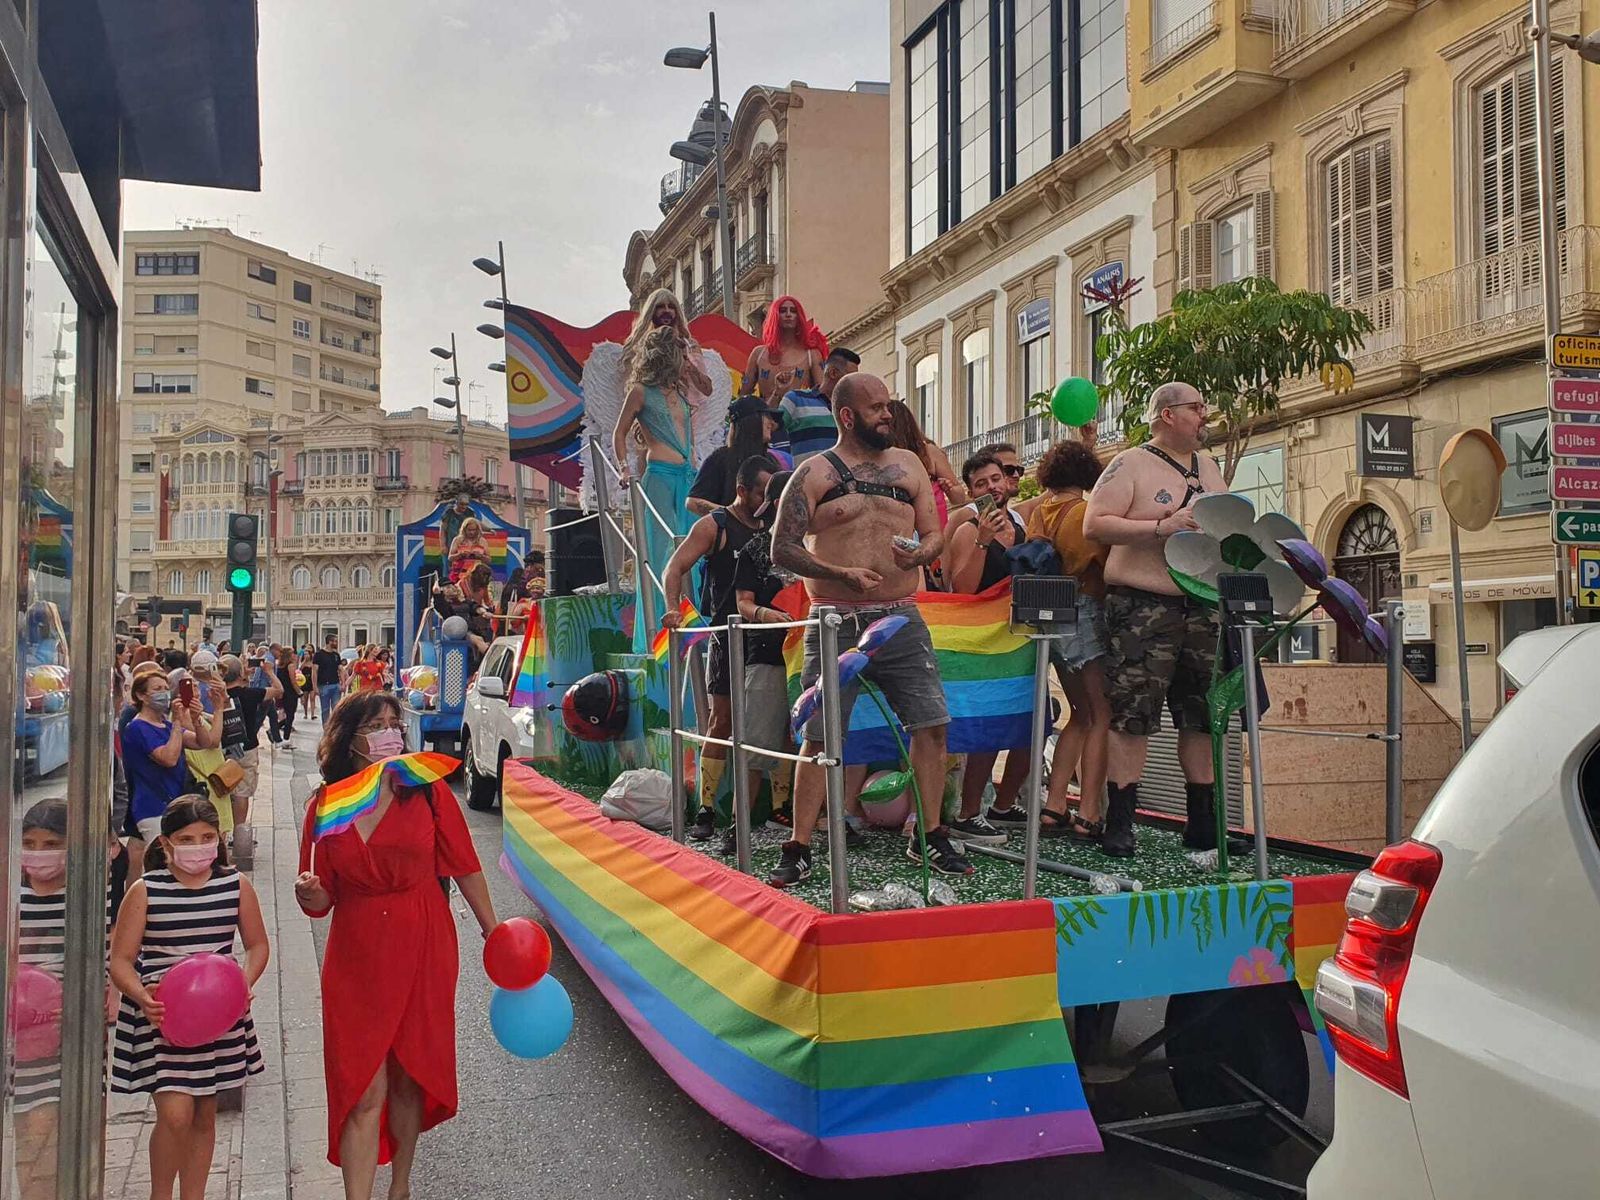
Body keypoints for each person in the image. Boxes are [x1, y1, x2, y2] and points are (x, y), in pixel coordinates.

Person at [294, 692, 499, 1200]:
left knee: (409, 1074)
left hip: (423, 940)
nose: (390, 733)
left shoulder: (427, 792)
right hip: (357, 952)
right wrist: (313, 892)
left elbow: (465, 863)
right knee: (361, 1086)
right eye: (376, 725)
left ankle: (400, 1188)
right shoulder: (327, 806)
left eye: (394, 723)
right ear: (350, 739)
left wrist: (493, 929)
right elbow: (321, 898)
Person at [767, 373, 969, 883]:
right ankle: (799, 845)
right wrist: (839, 574)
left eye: (888, 405)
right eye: (877, 407)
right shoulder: (813, 473)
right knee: (819, 736)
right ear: (847, 416)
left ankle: (930, 835)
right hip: (834, 617)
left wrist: (925, 552)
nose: (888, 413)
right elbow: (783, 547)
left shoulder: (911, 467)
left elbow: (933, 533)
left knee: (932, 725)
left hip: (901, 614)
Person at [1085, 381, 1232, 857]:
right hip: (1144, 607)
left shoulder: (1208, 466)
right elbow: (1095, 524)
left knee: (1202, 715)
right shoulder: (1130, 463)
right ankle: (1121, 822)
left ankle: (1203, 823)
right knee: (1133, 714)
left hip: (1203, 604)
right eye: (1196, 406)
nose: (1204, 414)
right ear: (1168, 415)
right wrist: (1159, 526)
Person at [110, 795, 269, 1200]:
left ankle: (193, 1194)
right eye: (187, 838)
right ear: (165, 843)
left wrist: (242, 984)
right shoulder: (146, 891)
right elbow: (122, 960)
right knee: (175, 1114)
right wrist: (141, 996)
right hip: (162, 1019)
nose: (198, 846)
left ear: (219, 839)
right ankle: (161, 1193)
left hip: (218, 1019)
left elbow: (257, 945)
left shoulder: (235, 885)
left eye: (207, 837)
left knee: (204, 1114)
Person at [662, 454, 778, 842]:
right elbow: (674, 568)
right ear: (742, 490)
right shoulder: (714, 525)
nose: (767, 499)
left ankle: (777, 810)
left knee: (778, 723)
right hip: (726, 634)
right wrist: (672, 609)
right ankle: (707, 809)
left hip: (772, 638)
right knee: (721, 720)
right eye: (761, 492)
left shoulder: (775, 526)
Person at [12, 799, 118, 1200]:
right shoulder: (12, 898)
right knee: (30, 1137)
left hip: (76, 1039)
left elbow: (109, 955)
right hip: (21, 1046)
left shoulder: (92, 897)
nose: (39, 854)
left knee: (70, 1134)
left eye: (51, 843)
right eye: (30, 843)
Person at [1021, 439, 1112, 839]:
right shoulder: (1086, 514)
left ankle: (1055, 804)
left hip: (1049, 617)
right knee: (1102, 713)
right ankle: (1089, 810)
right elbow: (1107, 566)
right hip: (1086, 609)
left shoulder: (1041, 512)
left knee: (1080, 711)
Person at [945, 452, 1030, 845]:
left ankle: (1002, 805)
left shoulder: (1019, 525)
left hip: (1018, 642)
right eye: (981, 484)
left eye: (996, 479)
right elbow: (961, 589)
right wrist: (981, 541)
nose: (993, 487)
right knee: (984, 732)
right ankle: (967, 813)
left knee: (1023, 725)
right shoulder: (967, 529)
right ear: (970, 492)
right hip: (979, 646)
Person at [612, 324, 706, 626]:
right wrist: (624, 468)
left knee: (694, 550)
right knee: (658, 550)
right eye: (681, 352)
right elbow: (619, 433)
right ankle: (654, 624)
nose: (686, 358)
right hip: (660, 477)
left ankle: (693, 620)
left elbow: (708, 388)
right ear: (668, 354)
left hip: (688, 475)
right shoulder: (640, 392)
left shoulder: (680, 391)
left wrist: (691, 369)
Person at [732, 468, 800, 832]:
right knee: (757, 742)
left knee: (811, 741)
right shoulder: (754, 550)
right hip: (768, 654)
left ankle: (801, 816)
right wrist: (765, 614)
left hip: (812, 654)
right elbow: (742, 602)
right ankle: (738, 823)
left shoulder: (821, 545)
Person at [121, 668, 219, 879]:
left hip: (173, 802)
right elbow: (168, 758)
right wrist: (176, 723)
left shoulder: (164, 725)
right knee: (164, 864)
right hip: (152, 805)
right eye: (157, 689)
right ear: (141, 695)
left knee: (173, 860)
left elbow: (203, 742)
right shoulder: (138, 728)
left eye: (166, 688)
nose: (164, 693)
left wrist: (195, 717)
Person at [220, 653, 281, 864]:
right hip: (246, 747)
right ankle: (239, 834)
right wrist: (270, 672)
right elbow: (279, 691)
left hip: (221, 747)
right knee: (242, 792)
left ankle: (222, 832)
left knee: (221, 789)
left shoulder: (216, 694)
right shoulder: (250, 694)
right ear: (241, 673)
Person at [688, 394, 785, 515]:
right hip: (729, 533)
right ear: (752, 420)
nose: (771, 422)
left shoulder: (771, 460)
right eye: (766, 416)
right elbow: (693, 502)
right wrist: (731, 516)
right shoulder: (721, 458)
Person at [772, 346, 859, 469]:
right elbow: (771, 428)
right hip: (805, 484)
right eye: (849, 378)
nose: (853, 384)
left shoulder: (851, 411)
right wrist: (777, 393)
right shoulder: (796, 399)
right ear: (833, 373)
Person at [619, 287, 713, 397]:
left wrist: (688, 363)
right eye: (661, 307)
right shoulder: (638, 345)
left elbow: (707, 390)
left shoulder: (689, 345)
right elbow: (629, 388)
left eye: (671, 307)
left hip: (684, 409)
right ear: (651, 311)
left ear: (676, 312)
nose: (667, 310)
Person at [741, 295, 827, 403]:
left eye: (793, 311)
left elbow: (822, 394)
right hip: (766, 416)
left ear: (799, 316)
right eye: (782, 311)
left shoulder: (812, 355)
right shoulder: (758, 354)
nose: (788, 314)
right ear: (775, 316)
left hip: (800, 417)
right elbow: (744, 395)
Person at [446, 517, 492, 582]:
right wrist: (460, 555)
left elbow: (489, 560)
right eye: (469, 530)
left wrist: (480, 556)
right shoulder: (457, 540)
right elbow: (450, 558)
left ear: (477, 530)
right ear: (464, 529)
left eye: (474, 530)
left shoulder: (482, 541)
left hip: (477, 575)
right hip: (459, 574)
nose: (471, 532)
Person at [313, 635, 346, 722]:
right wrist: (315, 686)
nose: (336, 643)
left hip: (335, 684)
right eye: (334, 641)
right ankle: (326, 728)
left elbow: (341, 669)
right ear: (329, 642)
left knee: (336, 708)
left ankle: (334, 727)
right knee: (325, 709)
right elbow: (314, 671)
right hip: (323, 685)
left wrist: (343, 683)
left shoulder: (336, 655)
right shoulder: (319, 655)